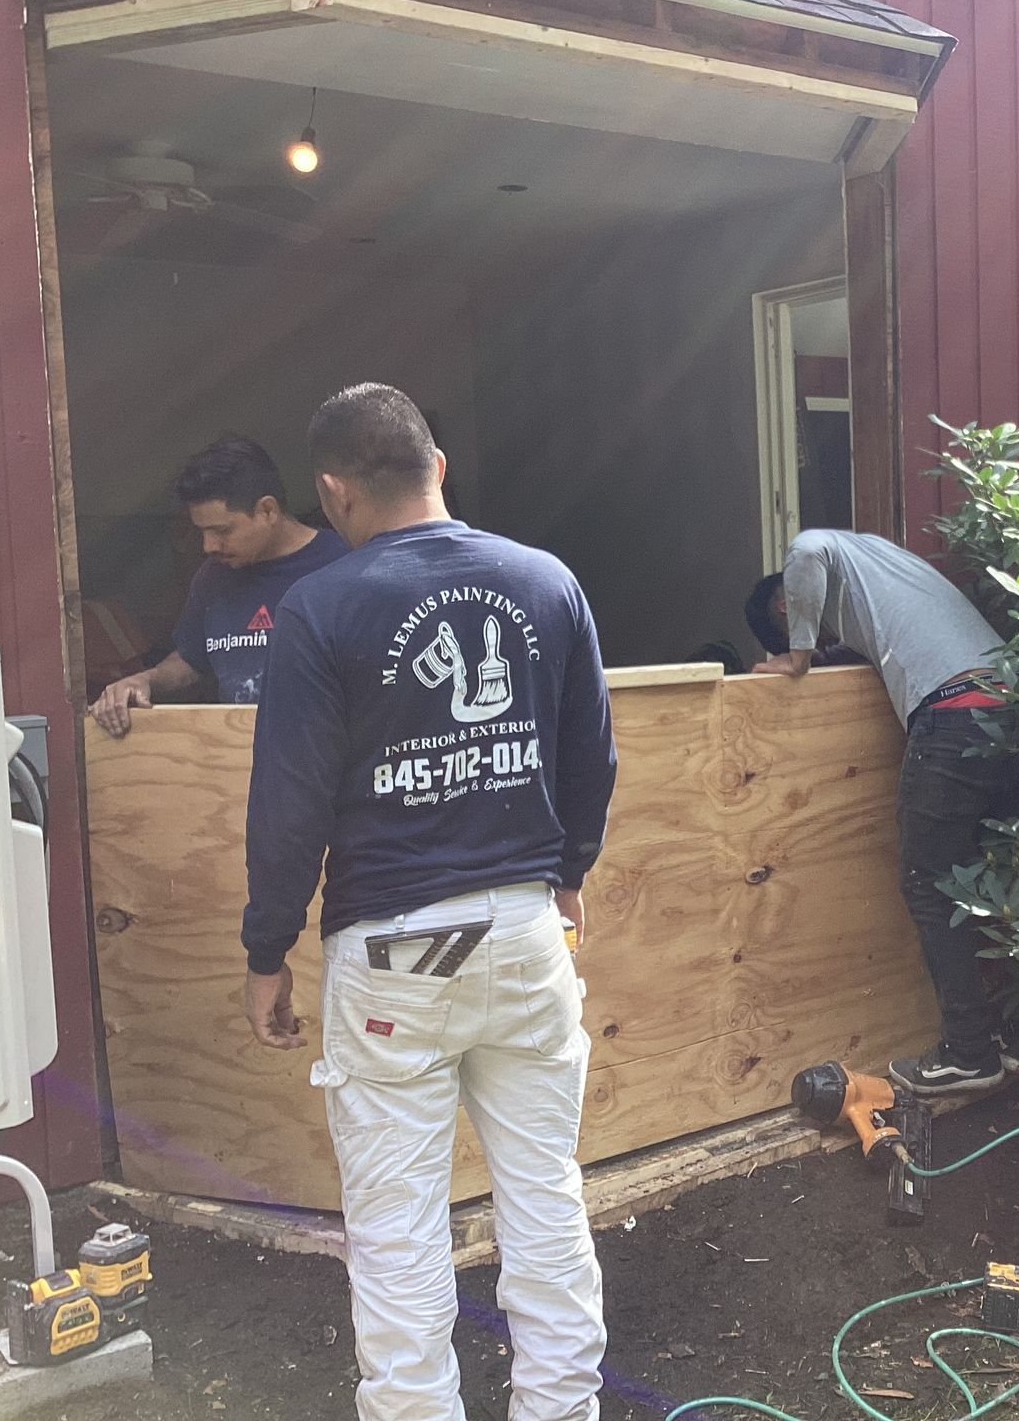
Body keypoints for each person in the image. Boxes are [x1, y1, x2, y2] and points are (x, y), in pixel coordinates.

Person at [241, 383, 616, 1421]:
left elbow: (290, 804)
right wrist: (569, 867)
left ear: (332, 491)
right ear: (436, 465)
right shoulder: (544, 582)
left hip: (395, 954)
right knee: (545, 1194)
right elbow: (592, 753)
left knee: (400, 1226)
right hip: (526, 928)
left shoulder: (322, 607)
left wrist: (266, 950)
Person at [745, 529, 1019, 1097]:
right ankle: (1017, 1037)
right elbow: (882, 641)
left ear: (787, 605)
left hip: (955, 717)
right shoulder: (878, 562)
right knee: (987, 877)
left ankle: (971, 1055)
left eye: (793, 626)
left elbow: (804, 554)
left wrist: (798, 658)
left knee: (927, 883)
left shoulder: (815, 550)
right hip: (1016, 712)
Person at [89, 436, 348, 736]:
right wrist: (144, 680)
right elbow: (191, 660)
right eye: (201, 532)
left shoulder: (341, 565)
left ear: (267, 510)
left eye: (222, 531)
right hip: (234, 756)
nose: (208, 546)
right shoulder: (213, 578)